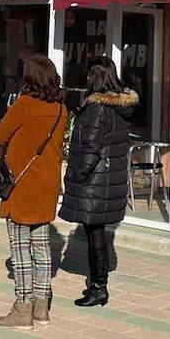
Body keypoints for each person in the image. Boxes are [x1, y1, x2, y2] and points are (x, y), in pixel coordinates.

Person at [0, 54, 67, 330]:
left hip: (22, 184)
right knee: (43, 247)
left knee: (20, 248)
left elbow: (1, 134)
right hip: (47, 185)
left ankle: (22, 309)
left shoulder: (24, 104)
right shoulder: (61, 109)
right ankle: (41, 308)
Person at [58, 56, 138, 309]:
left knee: (95, 235)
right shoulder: (121, 107)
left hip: (94, 182)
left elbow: (90, 148)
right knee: (98, 234)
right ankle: (98, 284)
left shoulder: (97, 109)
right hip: (109, 181)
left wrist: (73, 175)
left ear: (95, 77)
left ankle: (98, 287)